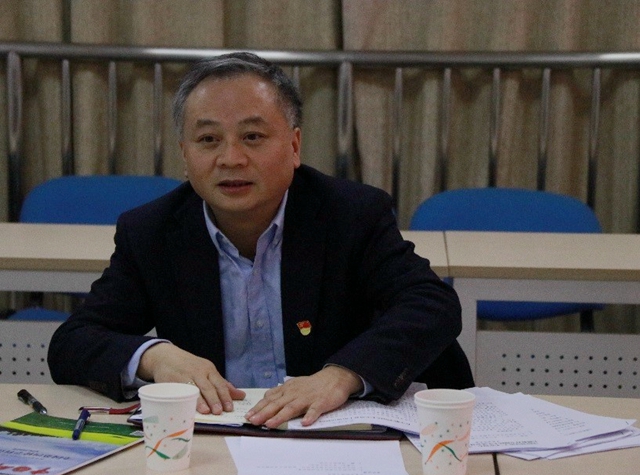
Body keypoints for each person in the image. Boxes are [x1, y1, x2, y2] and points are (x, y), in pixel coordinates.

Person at [48, 52, 473, 429]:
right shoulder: (152, 232)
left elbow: (430, 305)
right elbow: (73, 342)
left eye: (252, 137)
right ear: (185, 156)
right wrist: (154, 356)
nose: (231, 159)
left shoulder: (351, 214)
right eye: (208, 140)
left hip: (335, 433)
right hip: (219, 440)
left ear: (294, 145)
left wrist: (341, 376)